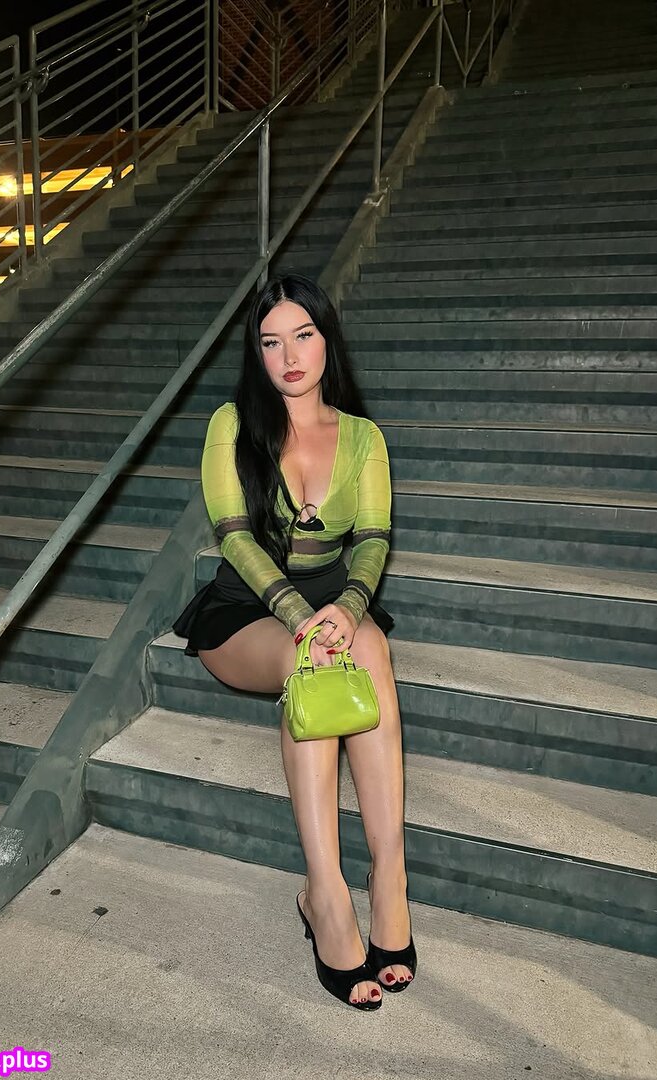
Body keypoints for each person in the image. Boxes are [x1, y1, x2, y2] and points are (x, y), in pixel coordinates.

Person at [174, 273, 415, 1010]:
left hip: (334, 602)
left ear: (326, 339)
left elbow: (372, 540)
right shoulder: (231, 425)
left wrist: (348, 604)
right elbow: (233, 536)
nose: (289, 356)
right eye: (271, 342)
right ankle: (326, 894)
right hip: (247, 611)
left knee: (370, 649)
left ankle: (390, 878)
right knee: (315, 660)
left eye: (303, 335)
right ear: (257, 352)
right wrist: (294, 611)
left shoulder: (363, 438)